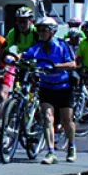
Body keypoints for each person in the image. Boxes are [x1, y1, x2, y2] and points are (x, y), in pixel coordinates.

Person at [22, 17, 77, 164]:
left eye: (44, 30)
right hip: (46, 87)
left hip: (64, 87)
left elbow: (72, 64)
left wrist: (56, 66)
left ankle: (71, 146)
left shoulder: (62, 45)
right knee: (47, 118)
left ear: (52, 31)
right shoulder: (38, 46)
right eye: (39, 30)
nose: (41, 33)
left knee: (67, 120)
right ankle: (51, 152)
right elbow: (26, 54)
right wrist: (12, 57)